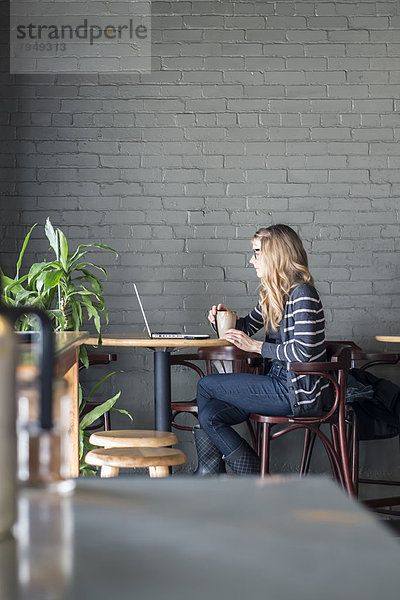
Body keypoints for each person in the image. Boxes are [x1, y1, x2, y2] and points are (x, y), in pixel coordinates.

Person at [193, 224, 332, 476]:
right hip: (276, 384)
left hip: (295, 392)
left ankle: (216, 473)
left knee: (206, 386)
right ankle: (248, 477)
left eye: (257, 252)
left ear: (276, 255)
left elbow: (303, 353)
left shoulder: (303, 294)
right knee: (210, 415)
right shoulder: (273, 295)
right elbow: (247, 326)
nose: (251, 260)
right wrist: (223, 319)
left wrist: (256, 347)